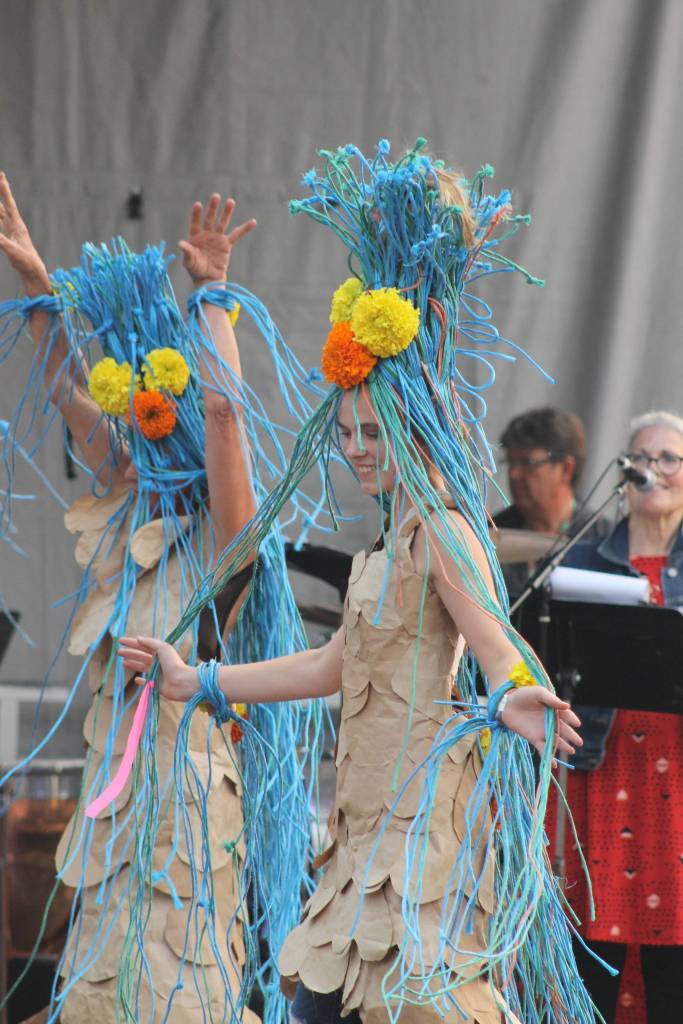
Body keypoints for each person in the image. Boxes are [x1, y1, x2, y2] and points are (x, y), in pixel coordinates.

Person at [119, 140, 597, 1024]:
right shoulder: (383, 546)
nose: (353, 449)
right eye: (343, 433)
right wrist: (203, 681)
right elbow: (334, 663)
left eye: (372, 432)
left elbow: (494, 646)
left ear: (413, 426)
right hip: (359, 838)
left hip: (418, 849)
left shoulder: (444, 532)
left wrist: (515, 696)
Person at [0, 174, 320, 1022]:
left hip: (185, 821)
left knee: (177, 990)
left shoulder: (226, 540)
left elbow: (222, 411)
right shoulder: (129, 521)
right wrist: (38, 283)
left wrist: (211, 294)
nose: (129, 442)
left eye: (149, 419)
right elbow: (71, 400)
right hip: (116, 814)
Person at [546, 410, 683, 1023]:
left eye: (668, 459)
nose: (651, 470)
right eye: (639, 459)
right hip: (604, 772)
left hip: (676, 780)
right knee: (591, 949)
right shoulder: (587, 558)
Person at [494, 407, 610, 598]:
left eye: (527, 462)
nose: (514, 474)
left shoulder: (605, 539)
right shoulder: (492, 533)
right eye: (511, 463)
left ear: (566, 469)